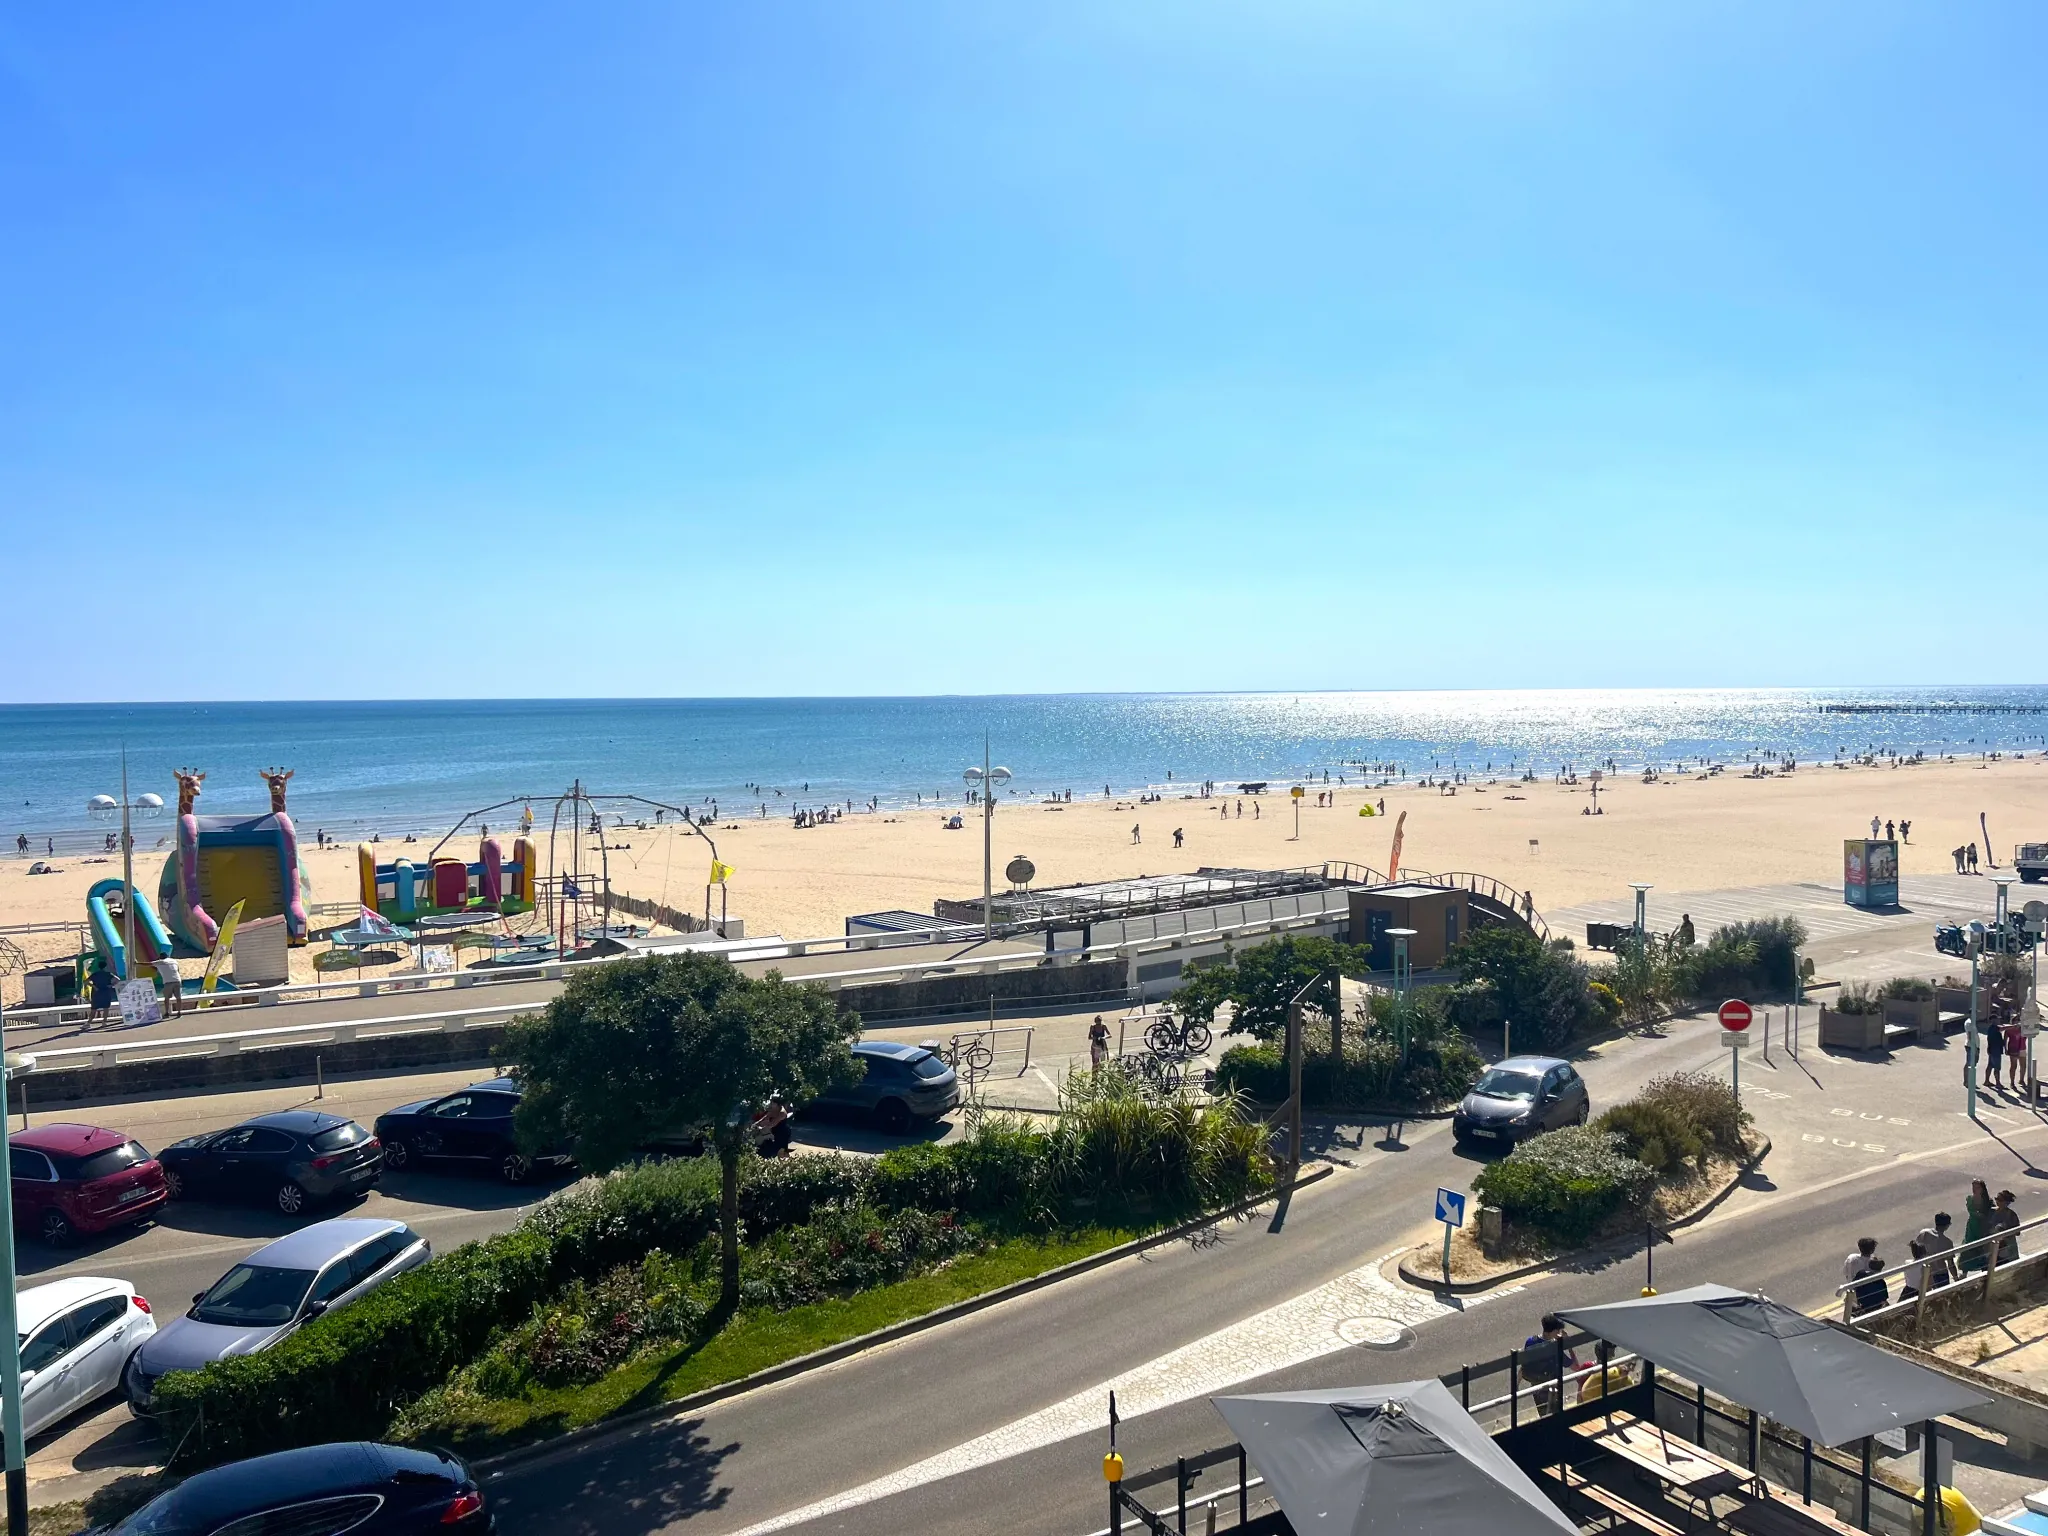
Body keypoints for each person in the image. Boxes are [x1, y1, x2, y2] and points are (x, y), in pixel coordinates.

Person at [1518, 1314, 1580, 1415]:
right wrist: (1569, 1346)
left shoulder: (1530, 1341)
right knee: (1555, 1417)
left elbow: (1524, 1366)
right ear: (1554, 1331)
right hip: (1552, 1390)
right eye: (1559, 1331)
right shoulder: (1555, 1348)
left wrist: (1517, 1384)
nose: (1560, 1334)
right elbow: (1576, 1367)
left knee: (1543, 1416)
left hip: (1536, 1387)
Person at [1844, 1237, 1889, 1315]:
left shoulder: (1851, 1258)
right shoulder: (1873, 1263)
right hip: (1865, 1296)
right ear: (1872, 1250)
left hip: (1851, 1292)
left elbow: (1846, 1274)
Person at [1916, 1211, 1957, 1289]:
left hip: (1926, 1272)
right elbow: (1950, 1264)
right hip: (1941, 1274)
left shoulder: (1924, 1233)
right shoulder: (1947, 1242)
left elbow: (1916, 1249)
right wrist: (1956, 1278)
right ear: (1946, 1226)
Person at [1962, 1179, 1994, 1273]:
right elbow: (1970, 1210)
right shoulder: (1970, 1198)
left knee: (1982, 1247)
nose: (1974, 1189)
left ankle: (1984, 1269)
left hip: (1982, 1226)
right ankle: (1965, 1270)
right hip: (1972, 1225)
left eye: (1977, 1187)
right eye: (1973, 1187)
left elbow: (1990, 1213)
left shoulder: (1987, 1201)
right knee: (1968, 1245)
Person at [1991, 1190, 2022, 1266]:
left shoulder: (2011, 1215)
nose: (1997, 1201)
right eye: (1996, 1199)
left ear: (2006, 1202)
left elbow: (2017, 1232)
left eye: (2000, 1200)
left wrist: (2005, 1231)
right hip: (1995, 1245)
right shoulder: (1992, 1212)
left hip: (2007, 1247)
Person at [87, 957, 117, 1024]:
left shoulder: (95, 974)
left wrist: (93, 986)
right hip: (106, 992)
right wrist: (111, 985)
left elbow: (85, 982)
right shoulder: (108, 974)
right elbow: (117, 979)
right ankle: (104, 1022)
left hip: (96, 993)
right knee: (106, 1008)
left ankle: (89, 1022)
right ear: (105, 967)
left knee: (94, 1008)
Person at [1984, 1020, 2007, 1089]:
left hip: (1992, 1049)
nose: (1999, 1021)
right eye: (1997, 1019)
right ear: (1993, 1020)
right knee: (1997, 1067)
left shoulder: (1991, 1028)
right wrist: (2014, 1026)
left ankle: (1986, 1081)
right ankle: (1998, 1083)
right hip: (1995, 1050)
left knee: (1990, 1065)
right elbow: (2003, 1028)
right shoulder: (1994, 1028)